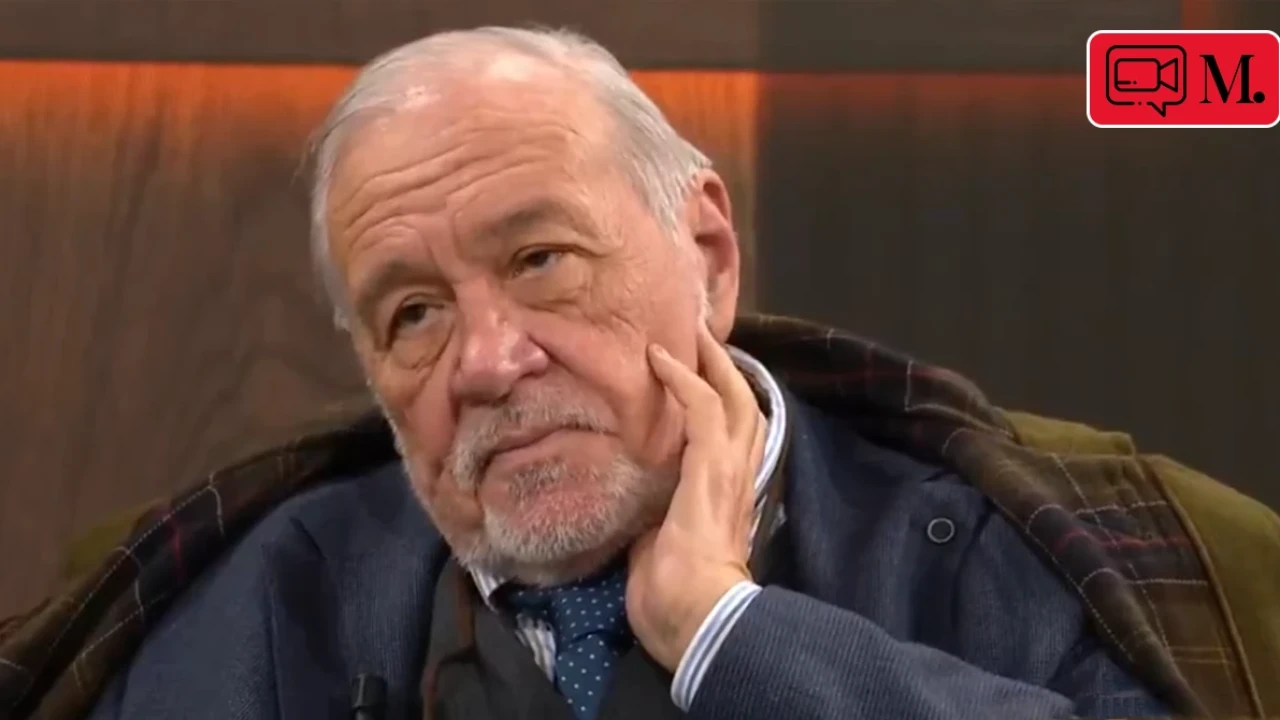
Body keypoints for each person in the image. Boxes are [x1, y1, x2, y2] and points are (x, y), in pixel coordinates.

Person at [0, 26, 1276, 720]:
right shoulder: (257, 607)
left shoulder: (1006, 551)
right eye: (414, 314)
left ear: (706, 254)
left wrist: (729, 634)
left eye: (541, 260)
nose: (488, 362)